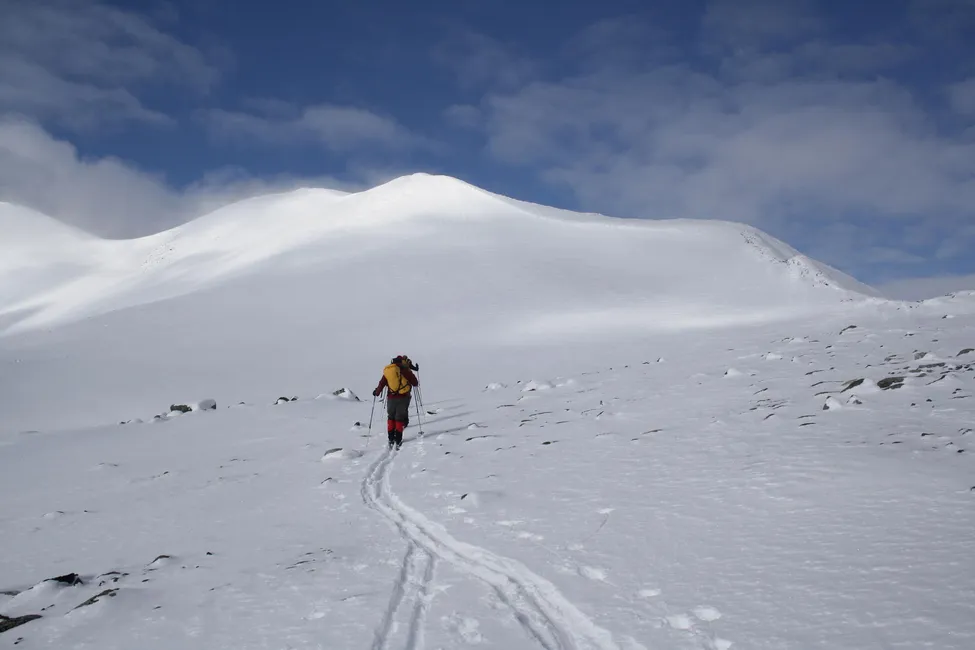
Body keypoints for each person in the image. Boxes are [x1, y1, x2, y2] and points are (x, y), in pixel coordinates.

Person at [373, 355, 419, 449]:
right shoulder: (404, 370)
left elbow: (382, 383)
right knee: (399, 419)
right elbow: (415, 382)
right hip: (403, 398)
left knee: (391, 417)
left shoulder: (389, 371)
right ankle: (398, 440)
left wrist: (376, 392)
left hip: (391, 398)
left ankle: (390, 438)